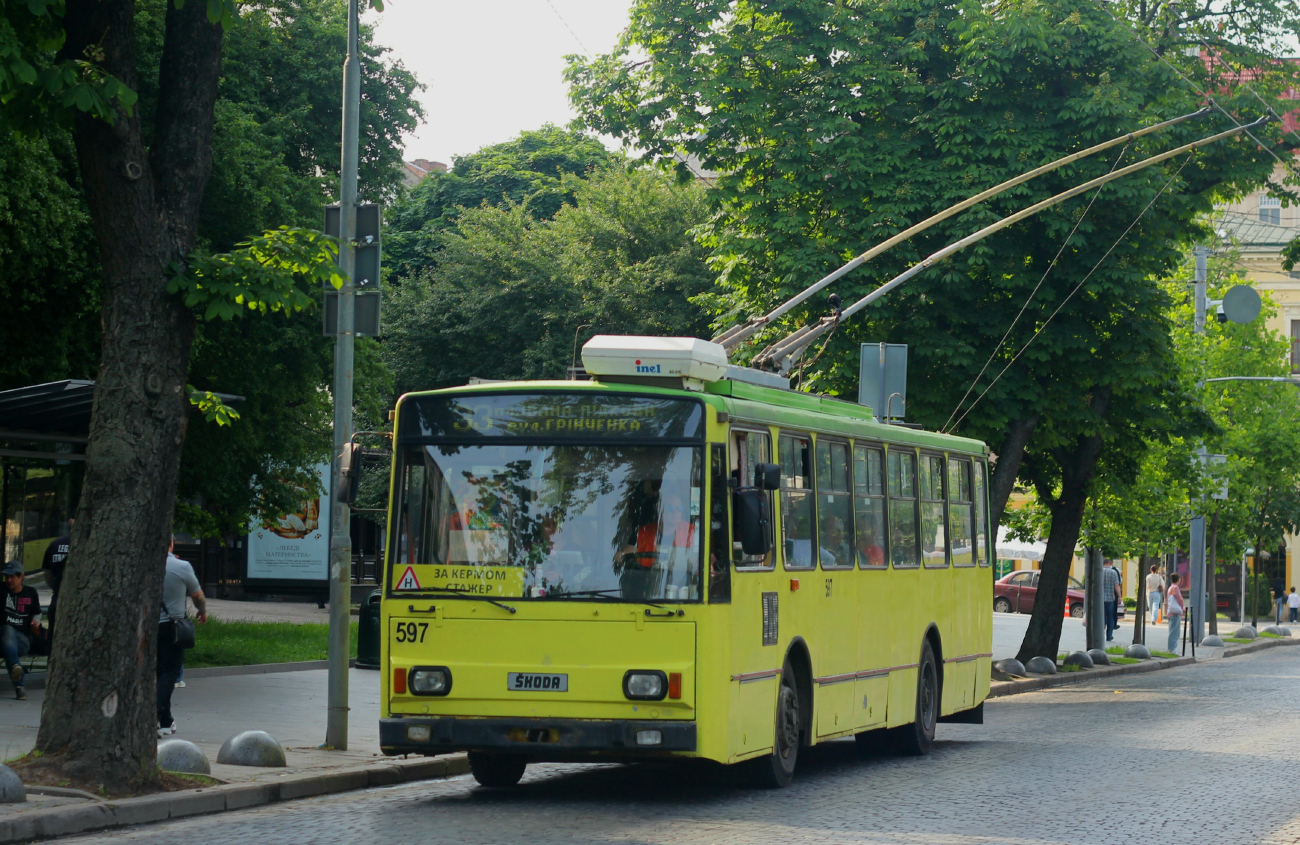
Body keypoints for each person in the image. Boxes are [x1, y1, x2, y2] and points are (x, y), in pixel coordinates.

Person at [158, 539, 207, 736]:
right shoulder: (181, 566)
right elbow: (197, 596)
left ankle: (165, 720)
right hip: (171, 627)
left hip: (143, 627)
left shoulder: (140, 564)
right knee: (168, 673)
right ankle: (159, 718)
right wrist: (202, 611)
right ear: (171, 543)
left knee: (153, 672)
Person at [2, 561, 42, 701]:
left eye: (13, 577)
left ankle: (15, 668)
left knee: (9, 633)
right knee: (7, 640)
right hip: (4, 640)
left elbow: (37, 612)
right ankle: (19, 687)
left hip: (22, 640)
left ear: (21, 577)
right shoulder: (1, 589)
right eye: (6, 576)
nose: (9, 580)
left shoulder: (31, 593)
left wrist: (36, 622)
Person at [40, 519, 71, 644]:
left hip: (57, 599)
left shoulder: (55, 544)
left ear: (70, 522)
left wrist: (58, 588)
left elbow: (48, 575)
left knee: (53, 639)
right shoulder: (90, 544)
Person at [1101, 559, 1121, 642]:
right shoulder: (1113, 572)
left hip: (1100, 599)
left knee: (1100, 617)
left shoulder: (1098, 572)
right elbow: (1116, 586)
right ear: (1109, 563)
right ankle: (1109, 635)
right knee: (1110, 617)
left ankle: (1099, 634)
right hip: (1110, 598)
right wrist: (1119, 596)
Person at [1166, 572, 1184, 654]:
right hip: (1175, 612)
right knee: (1175, 632)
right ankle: (1172, 649)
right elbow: (1180, 598)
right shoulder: (1175, 588)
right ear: (1178, 580)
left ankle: (1171, 649)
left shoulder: (1170, 588)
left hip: (1170, 612)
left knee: (1172, 631)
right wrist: (1182, 607)